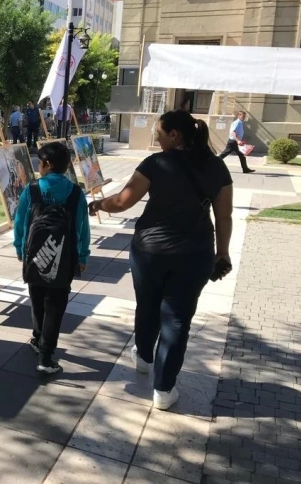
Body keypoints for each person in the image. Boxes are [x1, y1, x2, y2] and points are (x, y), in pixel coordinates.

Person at [88, 109, 234, 411]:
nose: (156, 136)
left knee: (148, 305)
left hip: (150, 252)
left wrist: (97, 204)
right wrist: (223, 252)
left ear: (174, 135)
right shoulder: (217, 167)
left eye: (159, 132)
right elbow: (224, 215)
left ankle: (143, 357)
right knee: (177, 320)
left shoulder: (156, 163)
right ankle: (164, 390)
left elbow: (123, 200)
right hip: (195, 254)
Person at [14, 142, 91, 374]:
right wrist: (83, 256)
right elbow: (82, 228)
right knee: (55, 305)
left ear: (47, 164)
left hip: (34, 256)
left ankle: (37, 340)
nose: (39, 167)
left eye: (39, 162)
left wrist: (20, 249)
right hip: (64, 258)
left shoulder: (32, 189)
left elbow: (21, 223)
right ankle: (46, 357)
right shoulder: (76, 193)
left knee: (37, 298)